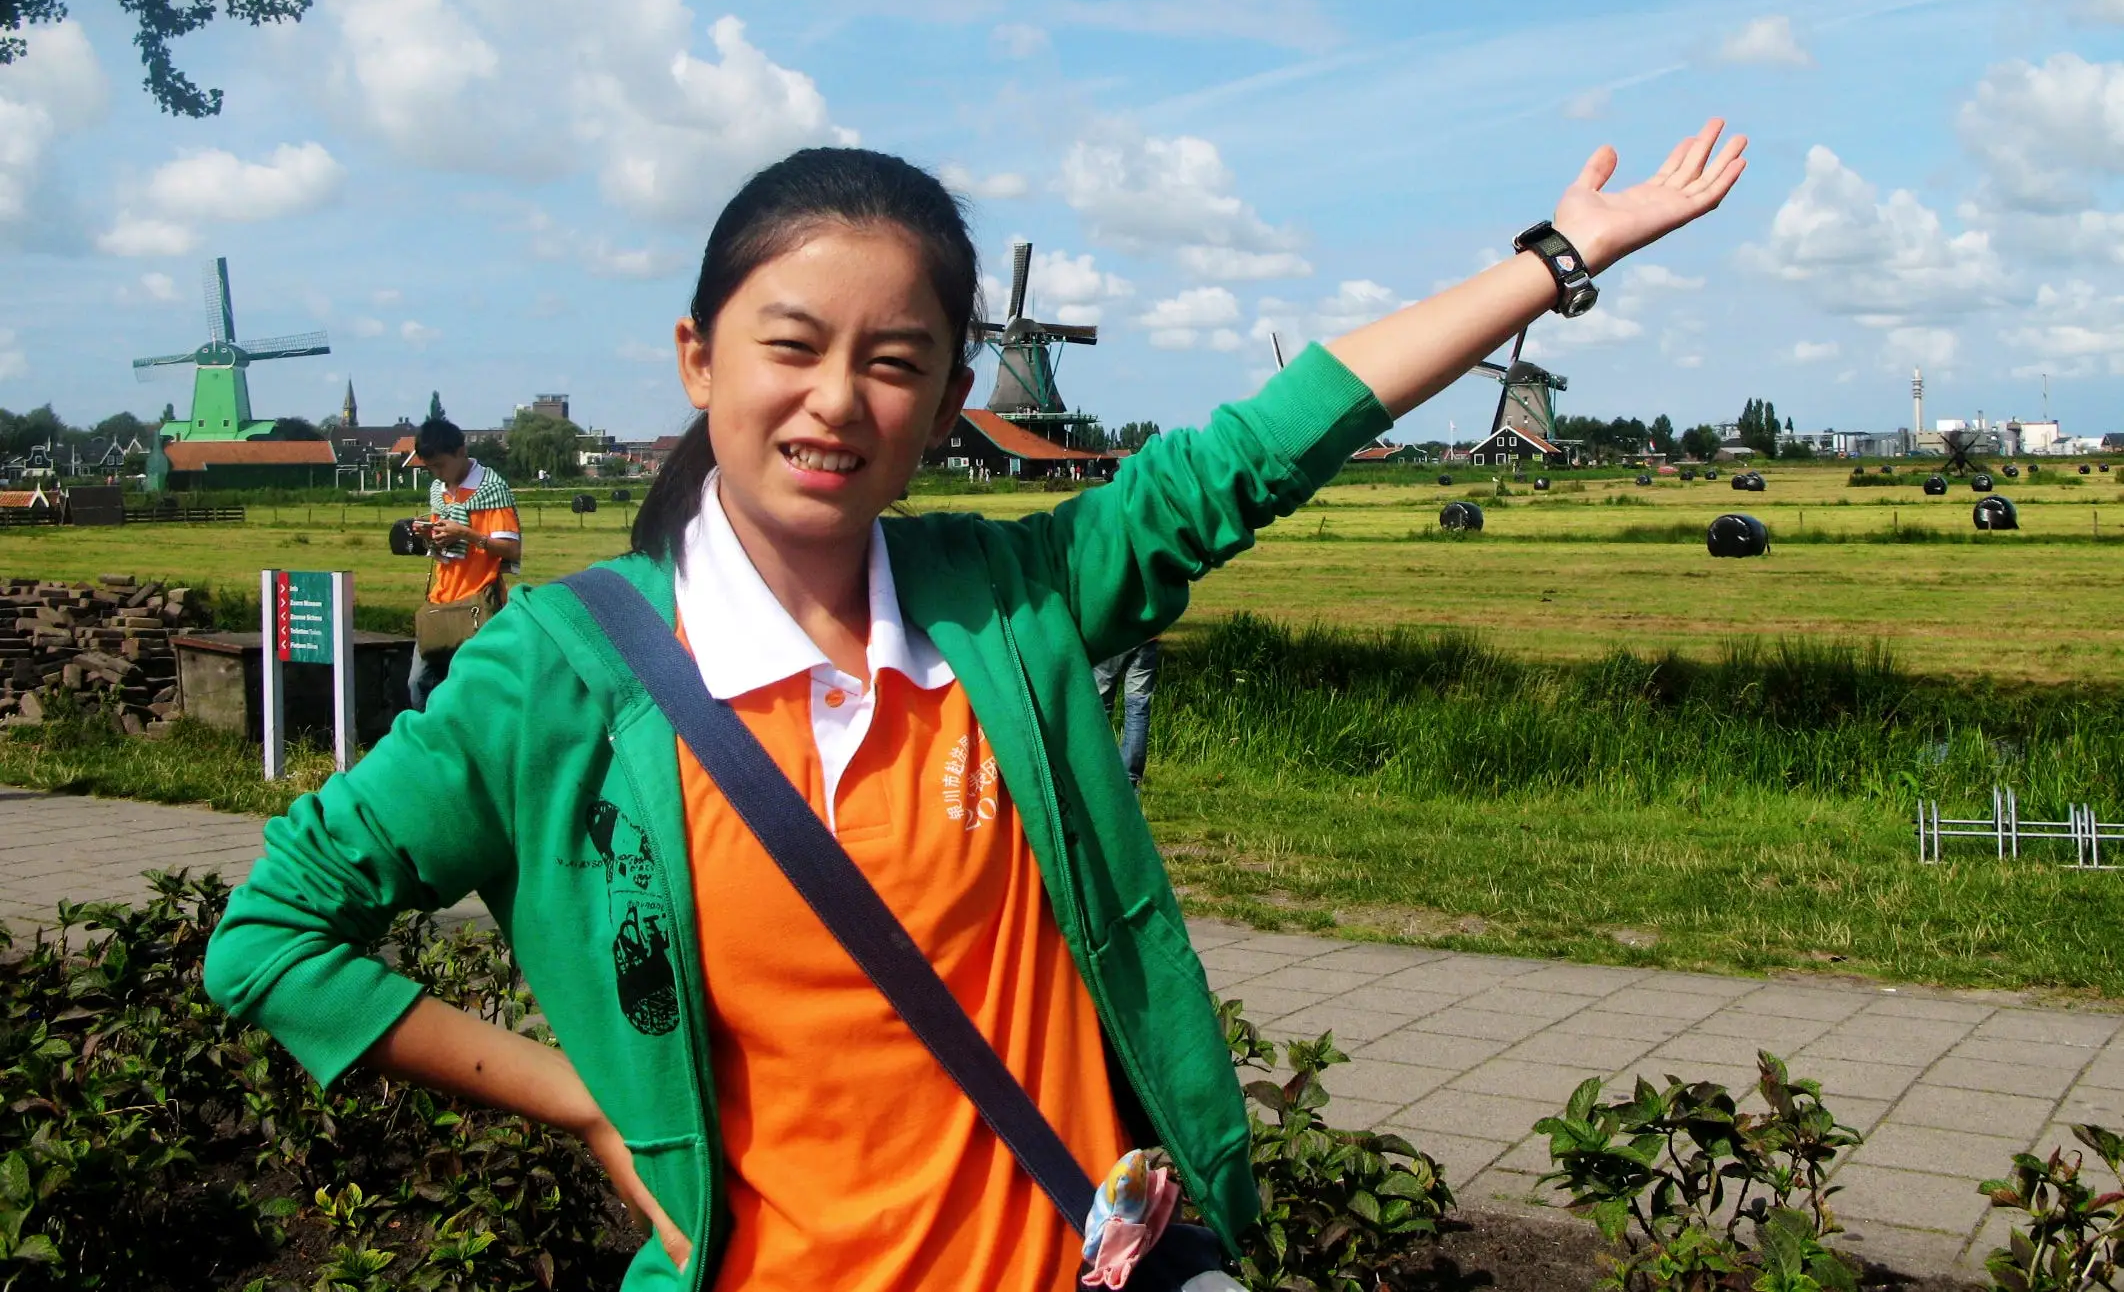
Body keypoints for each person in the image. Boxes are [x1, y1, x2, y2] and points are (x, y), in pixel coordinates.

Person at [204, 128, 1745, 1292]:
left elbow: (1260, 447)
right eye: (791, 345)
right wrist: (588, 1104)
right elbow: (272, 929)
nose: (836, 400)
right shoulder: (558, 675)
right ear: (697, 358)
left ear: (949, 404)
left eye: (896, 363)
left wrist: (1551, 257)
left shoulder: (1008, 610)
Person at [406, 416, 521, 711]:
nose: (436, 473)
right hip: (441, 601)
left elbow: (512, 550)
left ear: (461, 452)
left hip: (478, 603)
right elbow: (443, 547)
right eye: (430, 467)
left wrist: (468, 535)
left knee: (473, 689)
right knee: (418, 683)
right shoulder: (438, 491)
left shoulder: (492, 489)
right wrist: (429, 536)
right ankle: (432, 747)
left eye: (440, 465)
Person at [1093, 638, 1160, 790]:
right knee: (1138, 708)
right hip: (1145, 636)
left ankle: (1096, 773)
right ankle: (1129, 781)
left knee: (1099, 708)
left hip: (1113, 635)